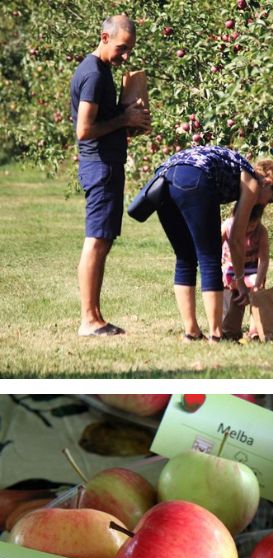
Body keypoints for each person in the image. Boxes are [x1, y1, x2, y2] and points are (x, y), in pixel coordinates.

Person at [151, 146, 273, 341]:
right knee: (210, 258)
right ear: (267, 183)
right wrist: (241, 282)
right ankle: (216, 334)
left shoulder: (240, 168)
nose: (265, 204)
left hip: (163, 178)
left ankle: (191, 332)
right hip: (195, 176)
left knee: (185, 257)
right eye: (271, 200)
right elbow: (235, 239)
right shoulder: (252, 183)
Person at [70, 14, 151, 336]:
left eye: (129, 49)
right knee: (96, 240)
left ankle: (95, 316)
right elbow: (84, 130)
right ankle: (89, 320)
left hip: (107, 163)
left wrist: (131, 124)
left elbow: (102, 125)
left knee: (103, 241)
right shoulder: (93, 74)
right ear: (104, 38)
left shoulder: (103, 71)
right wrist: (123, 120)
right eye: (121, 48)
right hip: (99, 167)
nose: (125, 56)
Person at [220, 204, 269, 340]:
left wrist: (258, 283)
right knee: (236, 291)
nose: (248, 229)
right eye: (245, 225)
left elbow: (263, 260)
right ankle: (230, 329)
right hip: (231, 267)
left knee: (257, 291)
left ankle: (255, 329)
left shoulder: (261, 232)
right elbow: (214, 249)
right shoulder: (227, 227)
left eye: (252, 226)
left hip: (250, 269)